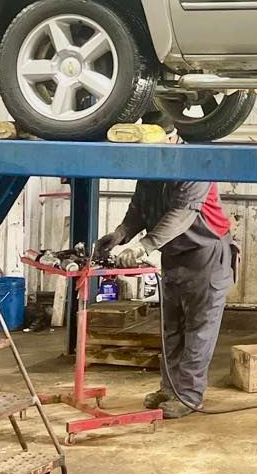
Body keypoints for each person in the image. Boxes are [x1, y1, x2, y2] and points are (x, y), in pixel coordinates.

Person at [96, 146, 237, 419]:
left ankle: (188, 396)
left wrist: (142, 247)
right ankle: (170, 388)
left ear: (173, 137)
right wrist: (120, 235)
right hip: (173, 253)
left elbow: (181, 214)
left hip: (206, 253)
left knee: (199, 328)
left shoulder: (195, 166)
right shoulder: (150, 167)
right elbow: (139, 209)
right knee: (171, 326)